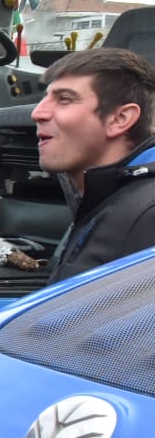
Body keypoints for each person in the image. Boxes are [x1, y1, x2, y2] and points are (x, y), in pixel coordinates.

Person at [31, 46, 155, 282]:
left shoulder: (147, 215)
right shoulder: (104, 199)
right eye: (44, 98)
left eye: (64, 99)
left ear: (120, 119)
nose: (37, 113)